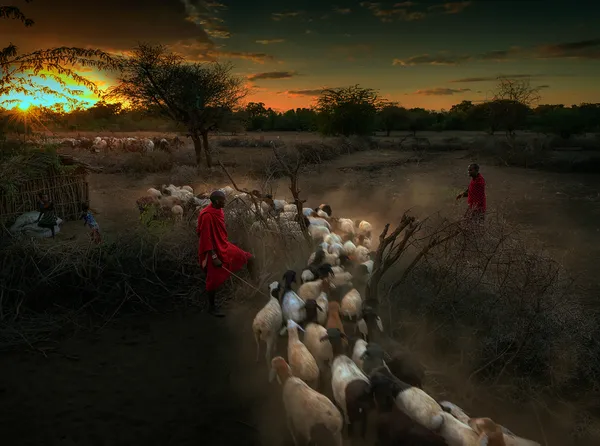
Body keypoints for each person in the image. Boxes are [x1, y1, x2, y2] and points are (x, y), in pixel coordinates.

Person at [197, 190, 257, 317]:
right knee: (212, 281)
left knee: (250, 258)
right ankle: (212, 307)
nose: (225, 201)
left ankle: (256, 284)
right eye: (223, 200)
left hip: (223, 245)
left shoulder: (219, 210)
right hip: (212, 250)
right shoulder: (207, 215)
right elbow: (205, 238)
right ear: (216, 201)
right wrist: (213, 257)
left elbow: (220, 233)